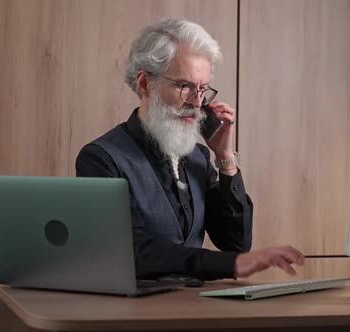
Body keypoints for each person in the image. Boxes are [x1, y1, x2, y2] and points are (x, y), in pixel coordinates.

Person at [76, 18, 304, 281]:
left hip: (195, 309)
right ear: (145, 83)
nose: (197, 103)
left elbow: (236, 243)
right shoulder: (101, 159)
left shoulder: (197, 156)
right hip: (133, 316)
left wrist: (225, 158)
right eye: (185, 86)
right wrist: (231, 265)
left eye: (203, 89)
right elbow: (132, 250)